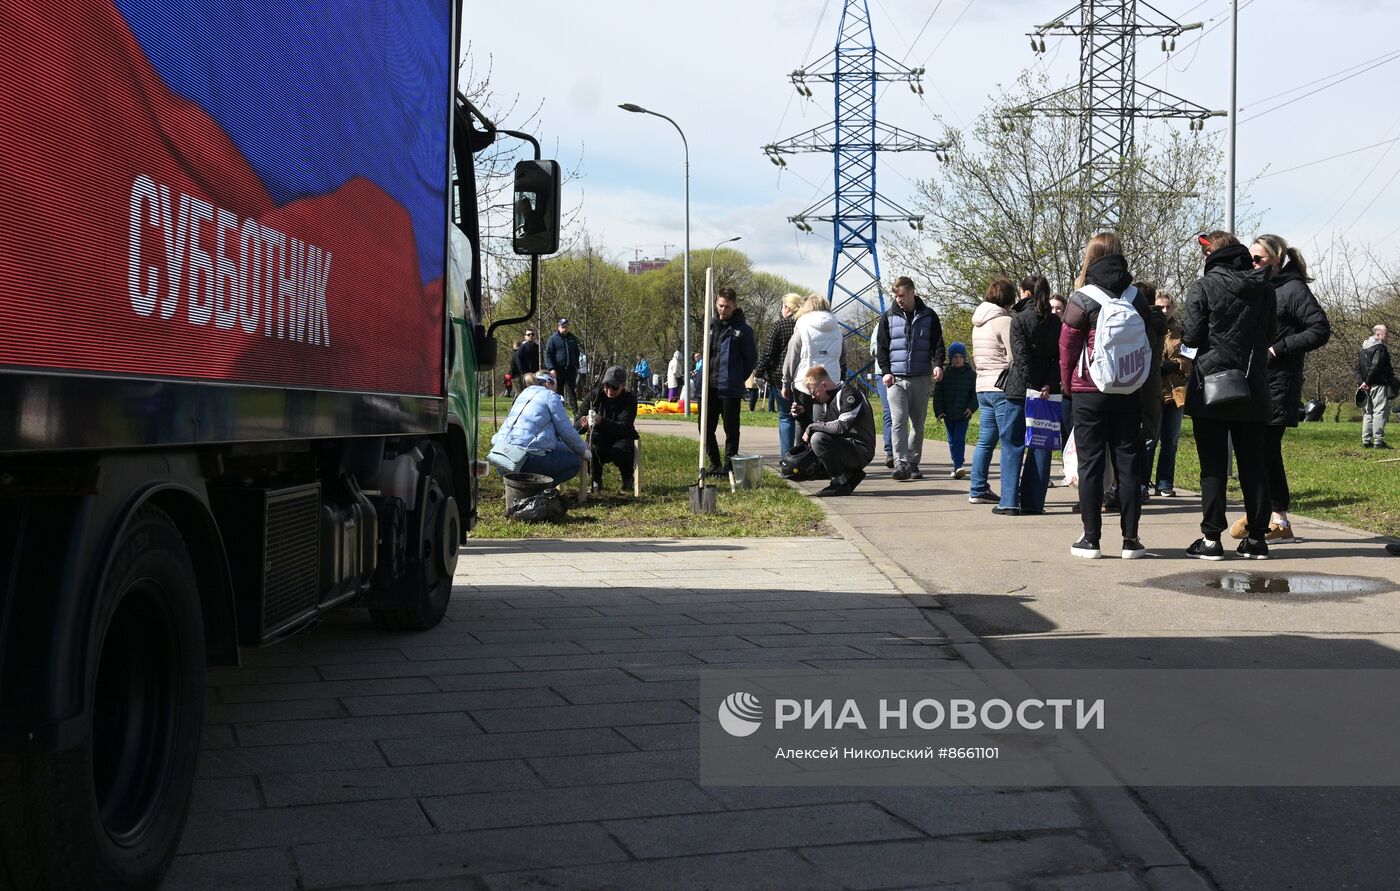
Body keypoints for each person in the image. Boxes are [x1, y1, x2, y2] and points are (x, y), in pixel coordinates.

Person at [1059, 232, 1163, 559]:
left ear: (1091, 256)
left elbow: (1067, 350)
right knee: (1129, 465)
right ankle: (1131, 540)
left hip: (1090, 391)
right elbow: (1147, 342)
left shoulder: (1082, 298)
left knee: (1091, 465)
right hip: (1129, 389)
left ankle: (1091, 540)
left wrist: (1068, 387)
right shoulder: (1136, 298)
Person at [1181, 230, 1277, 560]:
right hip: (1252, 386)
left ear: (1212, 255)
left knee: (1213, 465)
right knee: (1254, 463)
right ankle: (1257, 540)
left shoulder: (1204, 287)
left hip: (1211, 386)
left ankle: (1211, 540)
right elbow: (1269, 333)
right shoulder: (1263, 288)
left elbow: (1191, 337)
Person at [1228, 234, 1330, 542]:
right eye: (1250, 259)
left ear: (1277, 259)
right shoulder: (1260, 288)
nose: (1253, 264)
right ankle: (1264, 512)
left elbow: (1320, 329)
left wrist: (1278, 348)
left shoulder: (1293, 288)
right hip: (1255, 382)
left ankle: (1277, 517)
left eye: (1259, 259)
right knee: (1257, 450)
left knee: (1265, 450)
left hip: (1278, 383)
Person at [876, 275, 946, 481]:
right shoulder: (888, 316)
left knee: (917, 423)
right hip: (896, 379)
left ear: (912, 292)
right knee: (898, 421)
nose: (899, 299)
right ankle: (900, 462)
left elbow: (938, 344)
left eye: (902, 295)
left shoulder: (929, 316)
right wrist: (886, 370)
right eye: (896, 296)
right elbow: (882, 347)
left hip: (921, 377)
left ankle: (913, 462)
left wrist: (938, 365)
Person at [1004, 274, 1061, 515]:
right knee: (1041, 443)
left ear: (1025, 293)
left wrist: (1031, 385)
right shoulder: (1056, 322)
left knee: (1012, 442)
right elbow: (1058, 357)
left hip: (1020, 389)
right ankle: (1034, 502)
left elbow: (1021, 357)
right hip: (1048, 391)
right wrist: (1047, 383)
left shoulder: (1019, 319)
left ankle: (1008, 501)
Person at [490, 370, 589, 484]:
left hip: (502, 458)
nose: (556, 389)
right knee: (575, 462)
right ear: (548, 384)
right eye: (555, 385)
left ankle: (518, 491)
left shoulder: (523, 395)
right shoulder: (550, 396)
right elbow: (566, 431)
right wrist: (583, 451)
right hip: (523, 460)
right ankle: (539, 493)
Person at [968, 278, 1016, 507]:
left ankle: (977, 487)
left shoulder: (978, 322)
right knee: (1008, 441)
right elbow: (1012, 356)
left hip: (982, 386)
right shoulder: (1003, 320)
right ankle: (1009, 495)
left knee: (985, 441)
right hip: (1001, 386)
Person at [700, 286, 757, 474]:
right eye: (720, 305)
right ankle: (714, 463)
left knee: (731, 429)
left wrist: (737, 377)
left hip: (730, 388)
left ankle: (729, 465)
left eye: (727, 307)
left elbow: (750, 360)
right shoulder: (710, 326)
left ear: (735, 306)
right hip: (709, 387)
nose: (722, 310)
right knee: (705, 427)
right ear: (716, 303)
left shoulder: (743, 330)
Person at [798, 365, 875, 497]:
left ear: (824, 385)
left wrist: (812, 428)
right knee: (802, 463)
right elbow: (821, 426)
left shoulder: (849, 395)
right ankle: (851, 475)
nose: (813, 397)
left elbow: (841, 427)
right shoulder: (828, 402)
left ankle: (839, 484)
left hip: (861, 450)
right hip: (847, 447)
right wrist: (802, 417)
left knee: (818, 439)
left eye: (814, 392)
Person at [1144, 289, 1192, 498]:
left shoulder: (1181, 331)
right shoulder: (1147, 327)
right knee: (1149, 440)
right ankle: (1141, 482)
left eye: (1168, 306)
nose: (1165, 310)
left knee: (1170, 441)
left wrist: (1174, 365)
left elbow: (1190, 358)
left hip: (1175, 393)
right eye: (1160, 306)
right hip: (1153, 392)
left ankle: (1164, 483)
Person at [782, 294, 847, 444]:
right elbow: (843, 355)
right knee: (822, 423)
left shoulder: (802, 325)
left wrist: (786, 381)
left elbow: (792, 355)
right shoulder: (836, 327)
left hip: (804, 382)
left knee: (800, 421)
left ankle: (798, 457)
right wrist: (841, 375)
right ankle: (820, 458)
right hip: (829, 382)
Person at [577, 365, 638, 493]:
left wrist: (601, 421)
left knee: (622, 449)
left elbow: (624, 427)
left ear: (623, 385)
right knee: (591, 447)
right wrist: (583, 425)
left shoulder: (629, 399)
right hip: (598, 438)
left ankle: (627, 478)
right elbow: (576, 427)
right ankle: (596, 480)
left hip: (621, 437)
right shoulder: (593, 397)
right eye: (606, 385)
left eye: (614, 387)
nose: (609, 390)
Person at [756, 294, 801, 458]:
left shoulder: (779, 326)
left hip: (779, 377)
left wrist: (759, 372)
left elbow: (768, 353)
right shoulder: (804, 325)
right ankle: (803, 457)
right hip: (802, 378)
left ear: (787, 308)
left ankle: (787, 458)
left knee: (786, 417)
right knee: (802, 418)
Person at [933, 342, 976, 479]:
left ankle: (959, 466)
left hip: (963, 415)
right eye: (954, 357)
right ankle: (955, 464)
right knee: (951, 441)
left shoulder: (971, 375)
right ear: (950, 358)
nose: (957, 359)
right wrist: (938, 411)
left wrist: (971, 408)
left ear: (964, 358)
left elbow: (975, 394)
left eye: (960, 357)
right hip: (948, 415)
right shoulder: (945, 375)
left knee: (959, 440)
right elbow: (938, 395)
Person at [1356, 324, 1394, 449]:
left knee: (1368, 412)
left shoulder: (1363, 348)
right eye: (1386, 334)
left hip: (1365, 386)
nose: (1387, 336)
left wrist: (1362, 383)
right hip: (1378, 384)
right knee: (1379, 412)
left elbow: (1357, 369)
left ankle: (1366, 440)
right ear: (1378, 334)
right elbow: (1376, 366)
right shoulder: (1380, 348)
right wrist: (1367, 382)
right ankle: (1378, 441)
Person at [870, 316, 895, 468]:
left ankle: (904, 451)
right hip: (882, 373)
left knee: (902, 414)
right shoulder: (880, 325)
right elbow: (873, 349)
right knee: (889, 412)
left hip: (902, 372)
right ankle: (890, 451)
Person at [544, 318, 582, 414]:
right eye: (563, 327)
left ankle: (576, 415)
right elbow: (548, 355)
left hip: (570, 370)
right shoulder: (553, 339)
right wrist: (551, 368)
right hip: (558, 370)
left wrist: (576, 365)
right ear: (559, 327)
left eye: (566, 327)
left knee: (572, 393)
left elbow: (576, 353)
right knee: (558, 393)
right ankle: (559, 413)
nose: (565, 329)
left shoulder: (572, 338)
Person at [514, 328, 541, 396]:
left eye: (532, 334)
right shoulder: (521, 348)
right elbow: (519, 363)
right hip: (526, 376)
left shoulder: (538, 347)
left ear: (535, 336)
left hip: (537, 374)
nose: (531, 336)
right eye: (528, 334)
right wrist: (524, 374)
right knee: (524, 394)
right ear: (525, 337)